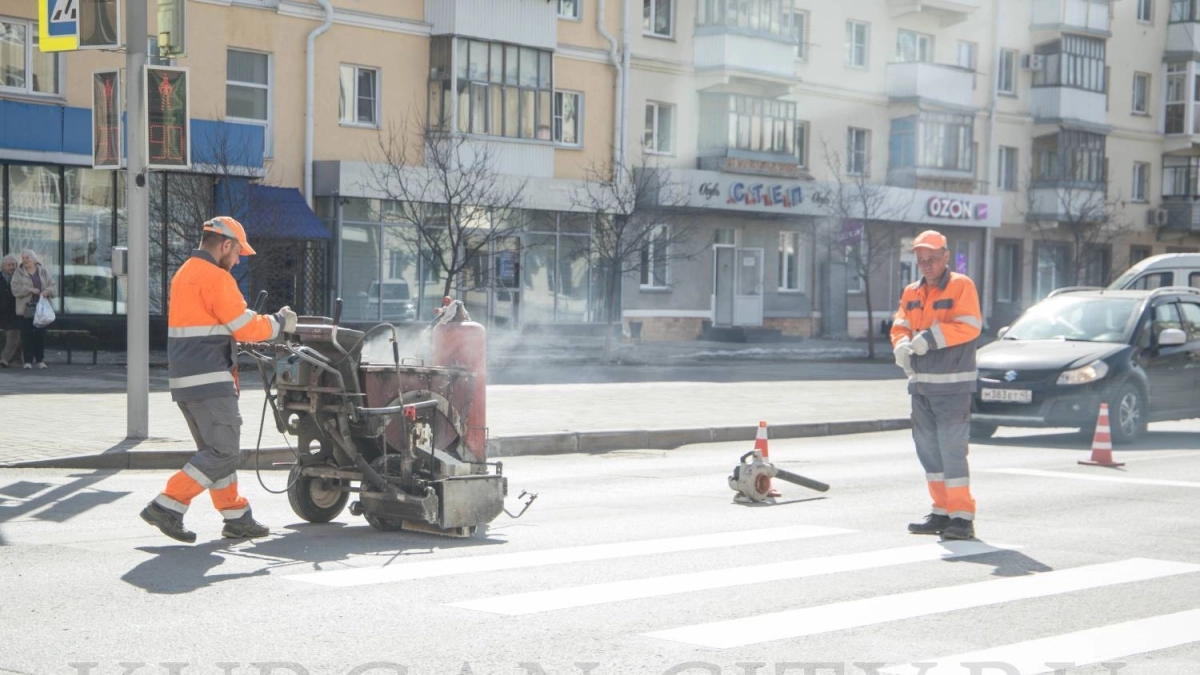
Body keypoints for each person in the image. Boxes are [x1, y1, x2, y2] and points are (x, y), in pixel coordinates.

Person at [140, 216, 297, 543]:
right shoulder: (216, 278)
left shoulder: (184, 274)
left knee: (215, 450)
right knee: (224, 452)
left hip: (186, 380)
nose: (239, 259)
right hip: (211, 380)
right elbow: (245, 327)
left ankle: (236, 516)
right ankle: (167, 505)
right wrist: (279, 322)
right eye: (238, 252)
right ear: (225, 245)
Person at [889, 230, 983, 541]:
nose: (926, 264)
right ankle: (941, 511)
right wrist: (901, 343)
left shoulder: (961, 285)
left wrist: (928, 339)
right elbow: (900, 323)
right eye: (921, 260)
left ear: (946, 256)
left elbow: (970, 326)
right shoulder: (912, 292)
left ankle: (962, 518)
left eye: (931, 259)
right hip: (922, 386)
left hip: (952, 387)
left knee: (951, 452)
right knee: (929, 452)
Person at [9, 250, 56, 370]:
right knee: (26, 336)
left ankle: (40, 360)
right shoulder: (18, 273)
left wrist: (47, 291)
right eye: (23, 257)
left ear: (34, 259)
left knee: (40, 335)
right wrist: (29, 289)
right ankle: (28, 361)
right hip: (25, 310)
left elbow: (53, 287)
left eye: (27, 257)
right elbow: (15, 289)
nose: (25, 260)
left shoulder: (44, 272)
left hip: (41, 310)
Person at [1, 254, 22, 367]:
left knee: (13, 333)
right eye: (9, 265)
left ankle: (4, 359)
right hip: (2, 312)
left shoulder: (20, 277)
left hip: (17, 310)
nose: (11, 267)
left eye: (13, 264)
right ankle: (17, 359)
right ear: (3, 266)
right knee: (7, 335)